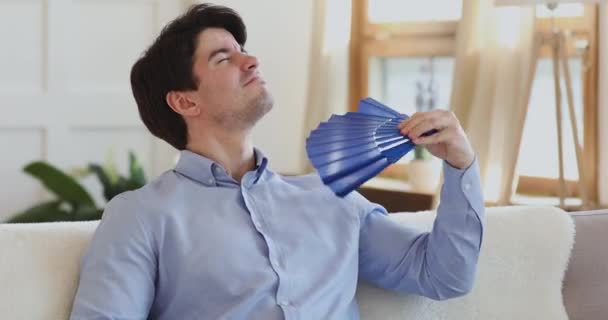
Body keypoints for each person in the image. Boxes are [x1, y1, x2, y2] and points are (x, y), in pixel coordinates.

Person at [70, 4, 484, 319]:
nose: (251, 62)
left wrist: (460, 165)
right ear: (184, 101)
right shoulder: (141, 216)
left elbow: (445, 276)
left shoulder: (330, 195)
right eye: (223, 58)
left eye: (244, 51)